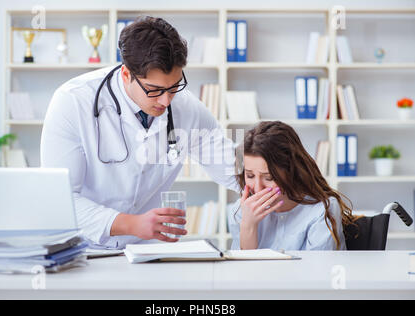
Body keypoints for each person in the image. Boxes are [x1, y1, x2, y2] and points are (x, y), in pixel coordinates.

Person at [40, 16, 242, 249]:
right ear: (126, 75)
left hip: (144, 251)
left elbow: (233, 167)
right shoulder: (73, 101)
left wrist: (275, 181)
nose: (166, 101)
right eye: (154, 90)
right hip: (82, 249)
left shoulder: (187, 108)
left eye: (174, 87)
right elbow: (60, 199)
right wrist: (132, 224)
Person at [229, 121, 356, 251]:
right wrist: (248, 227)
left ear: (291, 171)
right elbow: (243, 270)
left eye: (269, 178)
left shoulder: (321, 210)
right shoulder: (240, 212)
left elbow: (319, 269)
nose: (258, 188)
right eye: (250, 176)